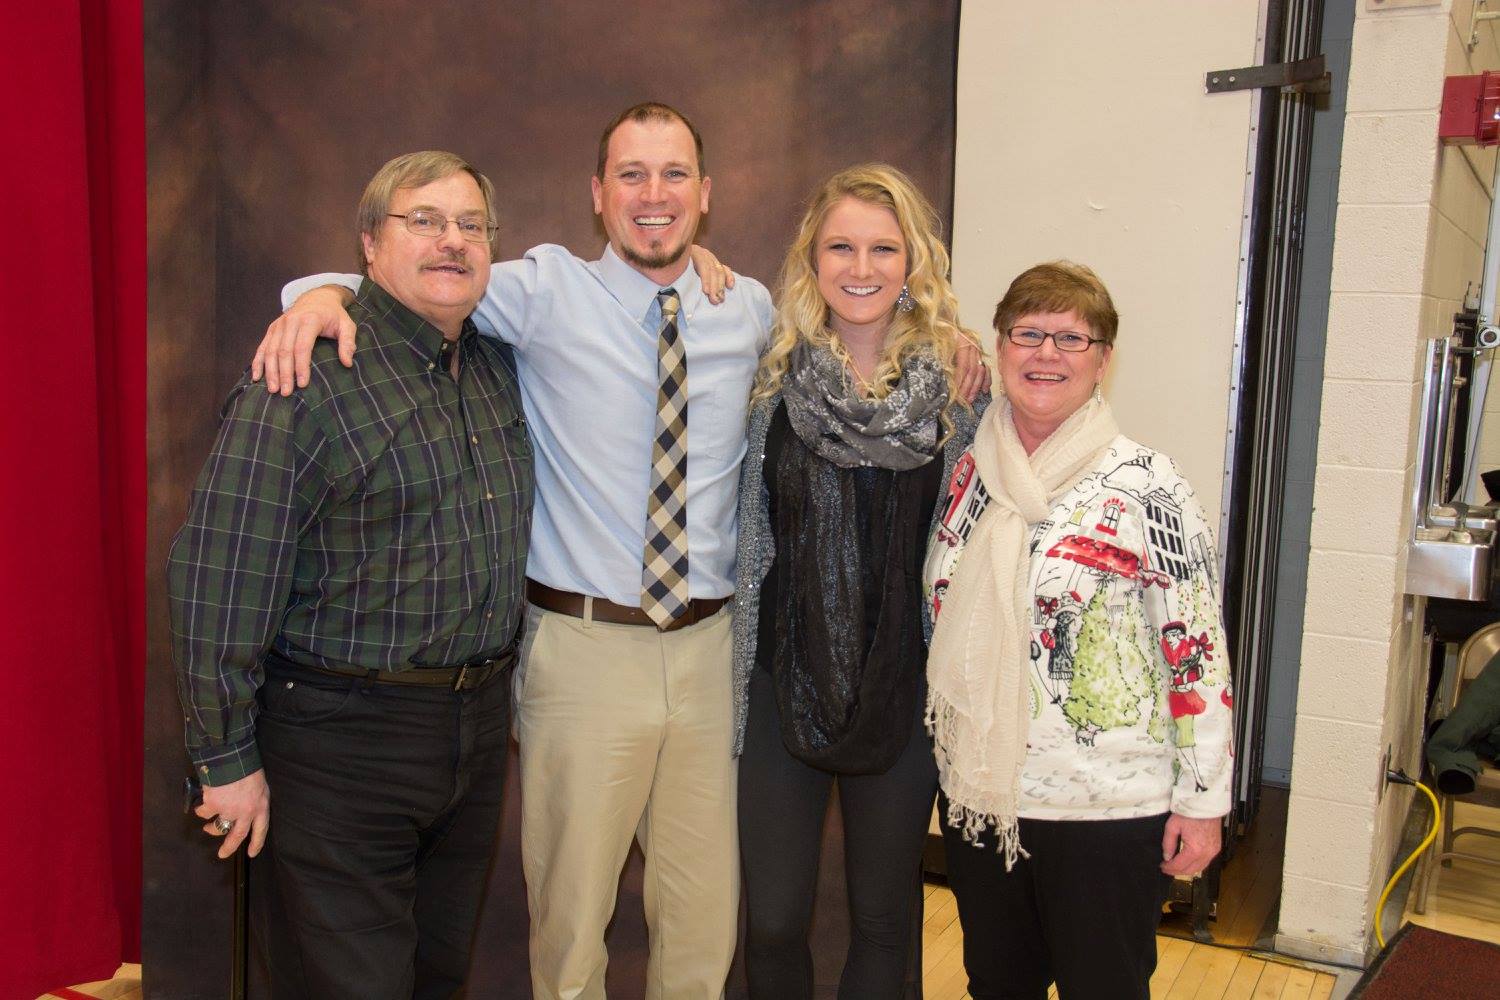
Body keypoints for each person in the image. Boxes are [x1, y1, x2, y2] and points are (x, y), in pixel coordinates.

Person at [255, 103, 770, 1000]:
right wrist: (320, 298)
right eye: (632, 174)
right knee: (571, 923)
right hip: (583, 651)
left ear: (706, 193)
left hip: (708, 651)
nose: (654, 194)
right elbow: (411, 278)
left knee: (703, 922)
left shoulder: (747, 307)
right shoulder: (542, 291)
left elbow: (852, 336)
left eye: (674, 174)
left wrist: (952, 342)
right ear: (598, 194)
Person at [167, 150, 533, 999]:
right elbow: (219, 571)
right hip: (337, 740)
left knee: (435, 975)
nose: (452, 240)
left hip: (474, 732)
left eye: (471, 225)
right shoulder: (304, 377)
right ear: (369, 244)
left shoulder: (492, 367)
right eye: (424, 221)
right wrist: (223, 756)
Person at [923, 261, 1233, 1000]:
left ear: (1103, 360)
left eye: (1071, 338)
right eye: (1027, 334)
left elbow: (1196, 651)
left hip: (1106, 810)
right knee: (997, 987)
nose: (1046, 354)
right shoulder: (969, 474)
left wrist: (1203, 802)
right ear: (1000, 347)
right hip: (981, 798)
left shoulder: (1149, 485)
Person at [731, 163, 986, 998]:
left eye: (884, 248)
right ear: (812, 259)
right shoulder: (767, 382)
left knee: (885, 918)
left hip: (903, 692)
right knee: (772, 920)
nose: (862, 267)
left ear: (913, 262)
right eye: (841, 247)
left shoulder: (959, 393)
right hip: (780, 682)